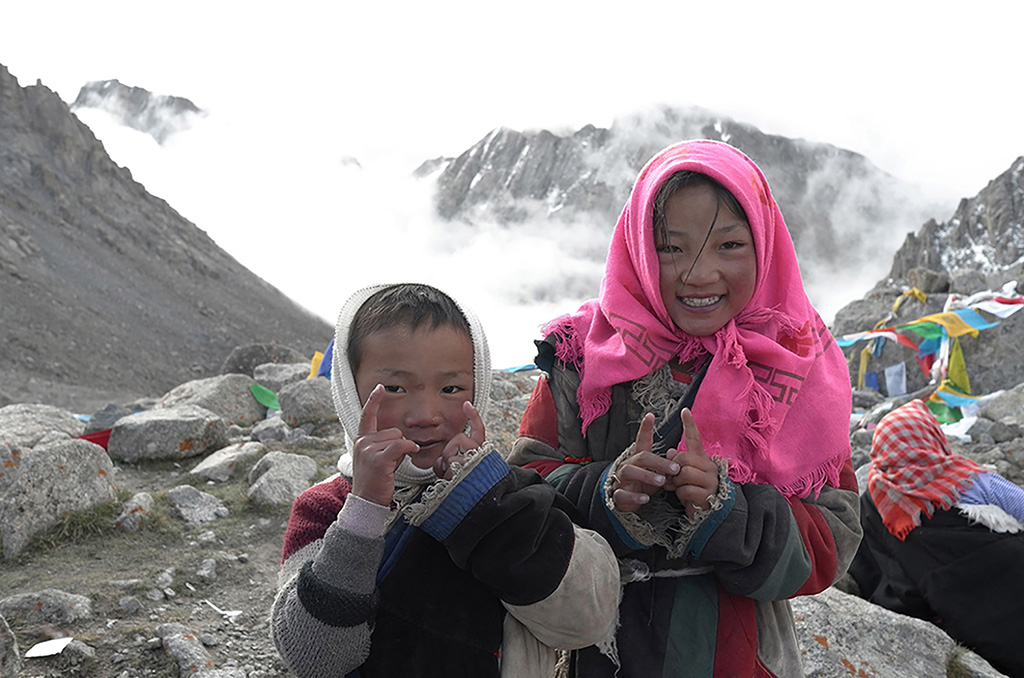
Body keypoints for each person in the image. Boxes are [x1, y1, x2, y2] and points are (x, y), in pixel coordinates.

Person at [508, 140, 862, 677]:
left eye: (730, 246)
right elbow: (525, 490)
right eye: (671, 248)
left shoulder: (799, 367)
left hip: (742, 659)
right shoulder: (583, 358)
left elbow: (834, 538)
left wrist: (728, 513)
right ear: (638, 250)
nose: (699, 275)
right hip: (602, 653)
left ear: (766, 246)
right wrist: (609, 491)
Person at [270, 283, 619, 678]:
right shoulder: (326, 508)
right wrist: (364, 510)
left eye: (451, 389)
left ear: (479, 386)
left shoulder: (519, 496)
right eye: (395, 388)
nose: (425, 414)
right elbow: (316, 659)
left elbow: (586, 621)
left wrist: (483, 503)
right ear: (351, 391)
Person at [849, 398, 1024, 677]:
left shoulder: (875, 498)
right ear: (931, 437)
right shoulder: (968, 478)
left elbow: (866, 562)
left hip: (939, 613)